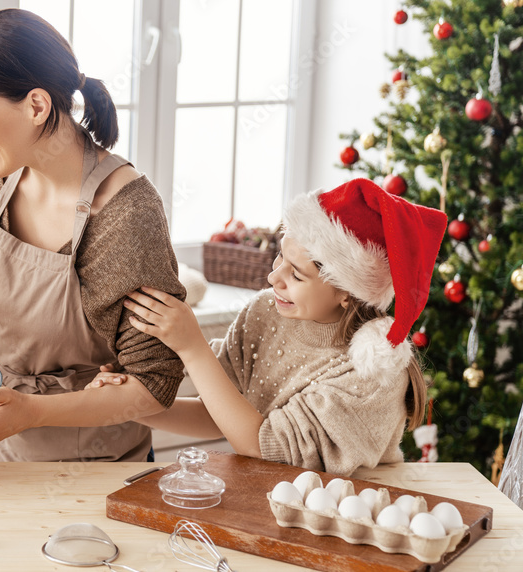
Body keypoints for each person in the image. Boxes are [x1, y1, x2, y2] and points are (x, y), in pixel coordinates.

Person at [0, 8, 186, 462]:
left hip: (102, 468)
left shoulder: (125, 213)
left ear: (36, 105)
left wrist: (31, 411)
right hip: (4, 447)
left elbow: (153, 387)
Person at [88, 179, 447, 475]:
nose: (274, 277)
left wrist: (192, 347)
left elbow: (263, 446)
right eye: (280, 256)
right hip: (276, 503)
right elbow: (223, 416)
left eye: (297, 273)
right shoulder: (266, 312)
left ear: (348, 294)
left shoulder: (370, 375)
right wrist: (135, 404)